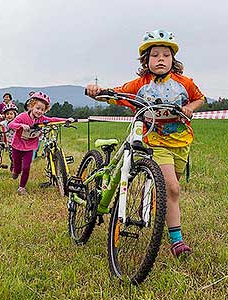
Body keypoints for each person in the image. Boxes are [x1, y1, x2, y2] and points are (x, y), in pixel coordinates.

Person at [86, 29, 206, 258]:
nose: (160, 59)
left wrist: (191, 107)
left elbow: (200, 97)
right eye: (155, 55)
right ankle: (177, 242)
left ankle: (161, 213)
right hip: (155, 142)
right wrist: (95, 92)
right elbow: (115, 93)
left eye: (166, 55)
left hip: (181, 142)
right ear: (146, 60)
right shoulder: (139, 84)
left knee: (169, 191)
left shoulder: (185, 83)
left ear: (173, 60)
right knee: (172, 188)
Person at [8, 91, 74, 195]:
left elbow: (53, 120)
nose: (39, 111)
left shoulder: (42, 119)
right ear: (31, 106)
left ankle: (22, 188)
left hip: (29, 148)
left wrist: (67, 120)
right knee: (17, 166)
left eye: (42, 110)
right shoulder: (22, 116)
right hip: (17, 145)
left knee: (26, 167)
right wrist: (21, 126)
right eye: (37, 108)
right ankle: (16, 172)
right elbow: (11, 124)